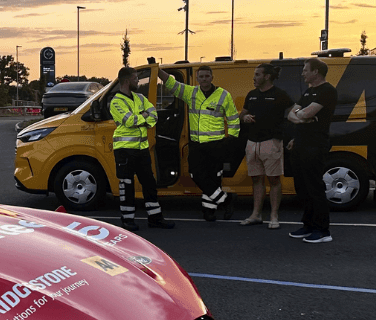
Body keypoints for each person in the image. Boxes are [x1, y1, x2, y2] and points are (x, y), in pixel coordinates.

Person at [159, 65, 240, 221]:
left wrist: (232, 139)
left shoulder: (223, 95)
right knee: (196, 174)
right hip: (197, 145)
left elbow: (233, 118)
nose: (204, 79)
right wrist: (157, 70)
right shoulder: (191, 93)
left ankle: (209, 211)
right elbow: (172, 84)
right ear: (197, 78)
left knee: (213, 178)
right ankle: (227, 200)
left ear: (212, 77)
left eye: (207, 76)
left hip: (216, 144)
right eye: (201, 76)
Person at [109, 66, 174, 230]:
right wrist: (143, 117)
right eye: (135, 78)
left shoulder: (139, 98)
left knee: (150, 183)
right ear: (126, 80)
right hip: (124, 150)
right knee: (127, 184)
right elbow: (129, 121)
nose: (138, 80)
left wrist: (142, 118)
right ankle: (127, 220)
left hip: (142, 149)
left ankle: (155, 218)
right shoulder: (116, 102)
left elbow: (154, 115)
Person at [287, 58, 337, 243]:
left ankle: (323, 231)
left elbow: (306, 113)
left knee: (314, 186)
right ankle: (308, 225)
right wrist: (302, 117)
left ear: (316, 72)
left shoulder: (327, 91)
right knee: (302, 187)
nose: (303, 73)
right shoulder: (309, 91)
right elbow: (292, 114)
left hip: (315, 145)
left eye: (305, 70)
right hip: (300, 144)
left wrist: (302, 115)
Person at [239, 64, 293, 229]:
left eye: (257, 74)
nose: (254, 78)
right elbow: (242, 114)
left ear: (267, 76)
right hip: (252, 143)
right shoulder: (252, 95)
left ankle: (274, 216)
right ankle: (256, 215)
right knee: (256, 179)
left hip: (271, 142)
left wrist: (291, 136)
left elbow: (294, 115)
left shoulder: (280, 95)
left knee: (274, 180)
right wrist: (245, 118)